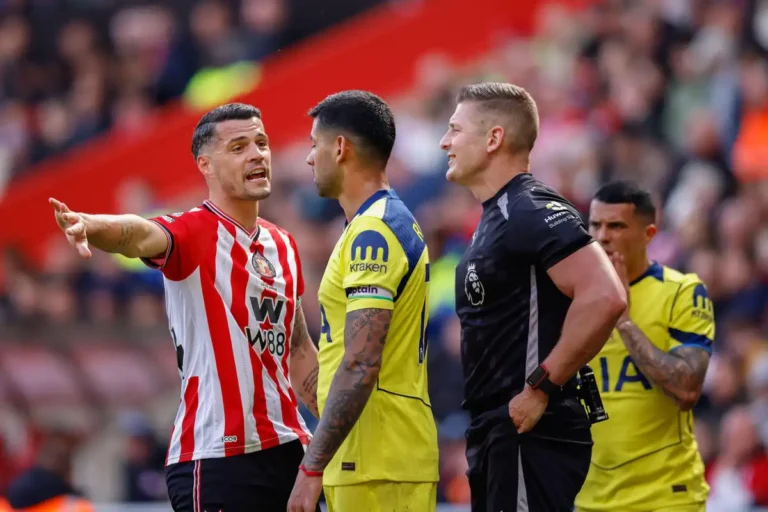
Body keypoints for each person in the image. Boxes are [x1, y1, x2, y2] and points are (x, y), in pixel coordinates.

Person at [49, 103, 321, 512]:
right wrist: (91, 225)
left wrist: (337, 431)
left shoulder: (282, 243)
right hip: (217, 459)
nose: (257, 155)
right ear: (205, 165)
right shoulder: (193, 231)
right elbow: (140, 235)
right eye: (239, 147)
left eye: (261, 143)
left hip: (290, 450)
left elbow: (298, 351)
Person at [438, 81, 627, 512]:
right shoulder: (493, 218)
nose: (444, 141)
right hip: (500, 432)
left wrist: (541, 388)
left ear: (493, 138)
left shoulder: (529, 207)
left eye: (455, 129)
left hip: (530, 428)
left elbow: (604, 296)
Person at [287, 90, 439, 512]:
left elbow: (361, 362)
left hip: (376, 461)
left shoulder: (374, 232)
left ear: (340, 148)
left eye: (314, 144)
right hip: (373, 458)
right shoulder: (373, 224)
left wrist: (311, 468)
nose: (308, 158)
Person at [575, 181, 714, 512]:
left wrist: (623, 320)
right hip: (590, 497)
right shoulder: (570, 297)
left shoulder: (682, 292)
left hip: (666, 495)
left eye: (616, 226)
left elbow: (686, 390)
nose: (602, 236)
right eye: (595, 225)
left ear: (649, 234)